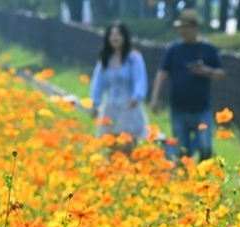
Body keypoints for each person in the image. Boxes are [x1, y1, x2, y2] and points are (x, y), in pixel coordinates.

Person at [149, 8, 226, 161]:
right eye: (181, 28)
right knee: (182, 151)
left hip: (201, 110)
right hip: (179, 110)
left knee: (205, 147)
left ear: (195, 27)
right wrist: (155, 97)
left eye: (186, 27)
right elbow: (162, 72)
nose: (183, 31)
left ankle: (202, 176)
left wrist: (205, 72)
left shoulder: (208, 49)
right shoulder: (173, 50)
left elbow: (221, 74)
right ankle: (185, 179)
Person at [89, 23, 149, 146]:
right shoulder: (105, 60)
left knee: (128, 145)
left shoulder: (133, 58)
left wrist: (136, 96)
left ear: (124, 37)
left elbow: (140, 79)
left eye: (118, 34)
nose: (115, 38)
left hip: (129, 108)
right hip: (110, 108)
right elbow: (98, 82)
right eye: (112, 34)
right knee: (110, 145)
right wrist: (95, 102)